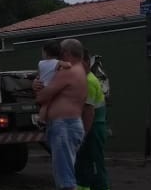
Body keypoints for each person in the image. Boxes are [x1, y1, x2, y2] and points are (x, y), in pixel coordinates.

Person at [33, 38, 88, 190]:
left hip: (64, 125)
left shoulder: (68, 72)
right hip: (69, 124)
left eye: (60, 52)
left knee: (65, 177)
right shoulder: (79, 69)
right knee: (65, 171)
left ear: (66, 53)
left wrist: (36, 88)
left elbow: (43, 96)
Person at [75, 49, 109, 190]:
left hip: (92, 129)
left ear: (87, 62)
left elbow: (88, 112)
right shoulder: (85, 80)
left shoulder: (88, 81)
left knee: (94, 165)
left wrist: (82, 134)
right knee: (84, 165)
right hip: (92, 128)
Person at [36, 41, 72, 126]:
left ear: (45, 52)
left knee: (44, 105)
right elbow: (68, 66)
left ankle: (41, 119)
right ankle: (45, 119)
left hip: (42, 87)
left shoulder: (40, 63)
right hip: (51, 88)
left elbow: (39, 75)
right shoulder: (57, 62)